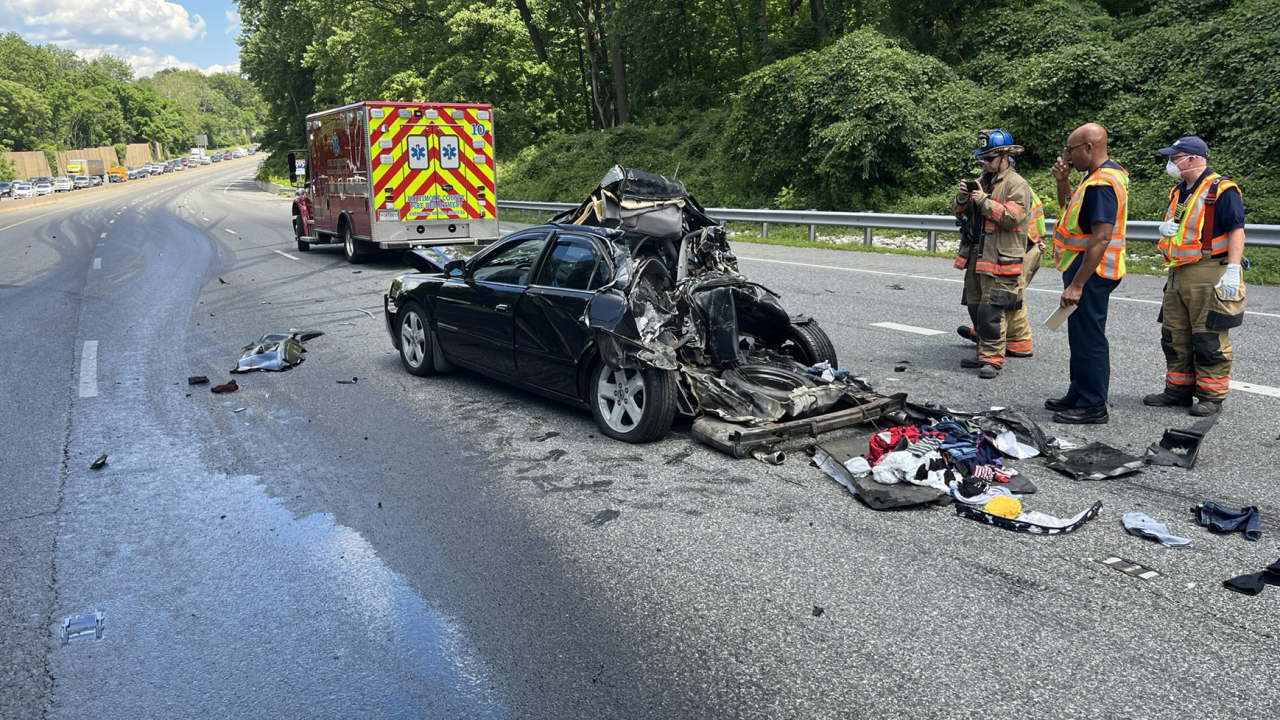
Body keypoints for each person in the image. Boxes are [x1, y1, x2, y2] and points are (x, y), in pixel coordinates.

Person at [1143, 136, 1246, 416]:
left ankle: (1211, 396)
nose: (1171, 163)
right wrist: (1167, 229)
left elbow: (1237, 229)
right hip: (1179, 271)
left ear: (1192, 159)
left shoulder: (1221, 190)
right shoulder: (1179, 191)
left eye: (1175, 158)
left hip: (1209, 271)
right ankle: (1178, 391)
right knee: (1174, 335)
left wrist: (1233, 269)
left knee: (1208, 338)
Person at [1045, 123, 1129, 424]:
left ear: (1089, 148)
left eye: (1071, 151)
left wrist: (1077, 285)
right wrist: (1063, 180)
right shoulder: (1093, 178)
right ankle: (1078, 392)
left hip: (1091, 272)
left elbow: (1101, 237)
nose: (1067, 156)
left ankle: (1093, 403)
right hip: (1083, 268)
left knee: (1089, 337)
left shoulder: (1101, 184)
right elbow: (1069, 209)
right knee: (1078, 334)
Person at [950, 130, 1037, 379]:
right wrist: (963, 197)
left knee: (992, 309)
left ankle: (992, 359)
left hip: (1000, 257)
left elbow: (1012, 218)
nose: (985, 164)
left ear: (1004, 156)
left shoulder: (1016, 184)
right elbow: (959, 212)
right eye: (982, 159)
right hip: (977, 253)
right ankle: (982, 351)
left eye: (989, 159)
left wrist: (983, 200)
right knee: (975, 306)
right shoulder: (983, 180)